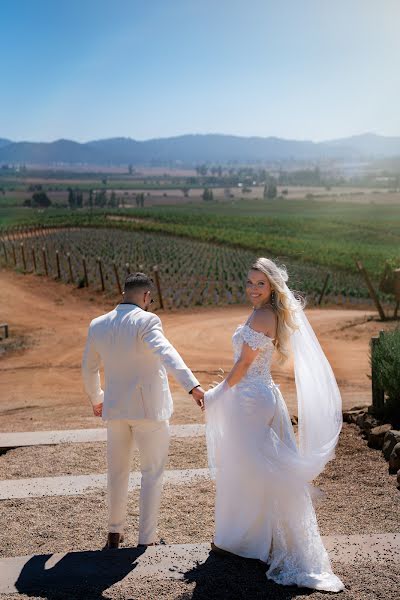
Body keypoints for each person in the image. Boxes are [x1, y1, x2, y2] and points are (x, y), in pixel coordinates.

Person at [204, 257, 345, 592]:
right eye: (250, 282)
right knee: (255, 466)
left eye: (260, 284)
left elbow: (244, 363)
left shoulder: (262, 314)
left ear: (271, 287)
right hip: (261, 394)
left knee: (248, 467)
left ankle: (250, 541)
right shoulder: (268, 314)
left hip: (251, 399)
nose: (253, 289)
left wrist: (218, 392)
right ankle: (257, 538)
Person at [81, 272, 204, 549]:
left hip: (114, 409)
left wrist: (96, 397)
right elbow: (167, 353)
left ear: (122, 292)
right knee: (152, 473)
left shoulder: (98, 324)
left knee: (117, 471)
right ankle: (145, 540)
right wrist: (192, 386)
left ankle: (114, 532)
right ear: (147, 296)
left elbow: (88, 367)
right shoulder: (147, 320)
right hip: (150, 411)